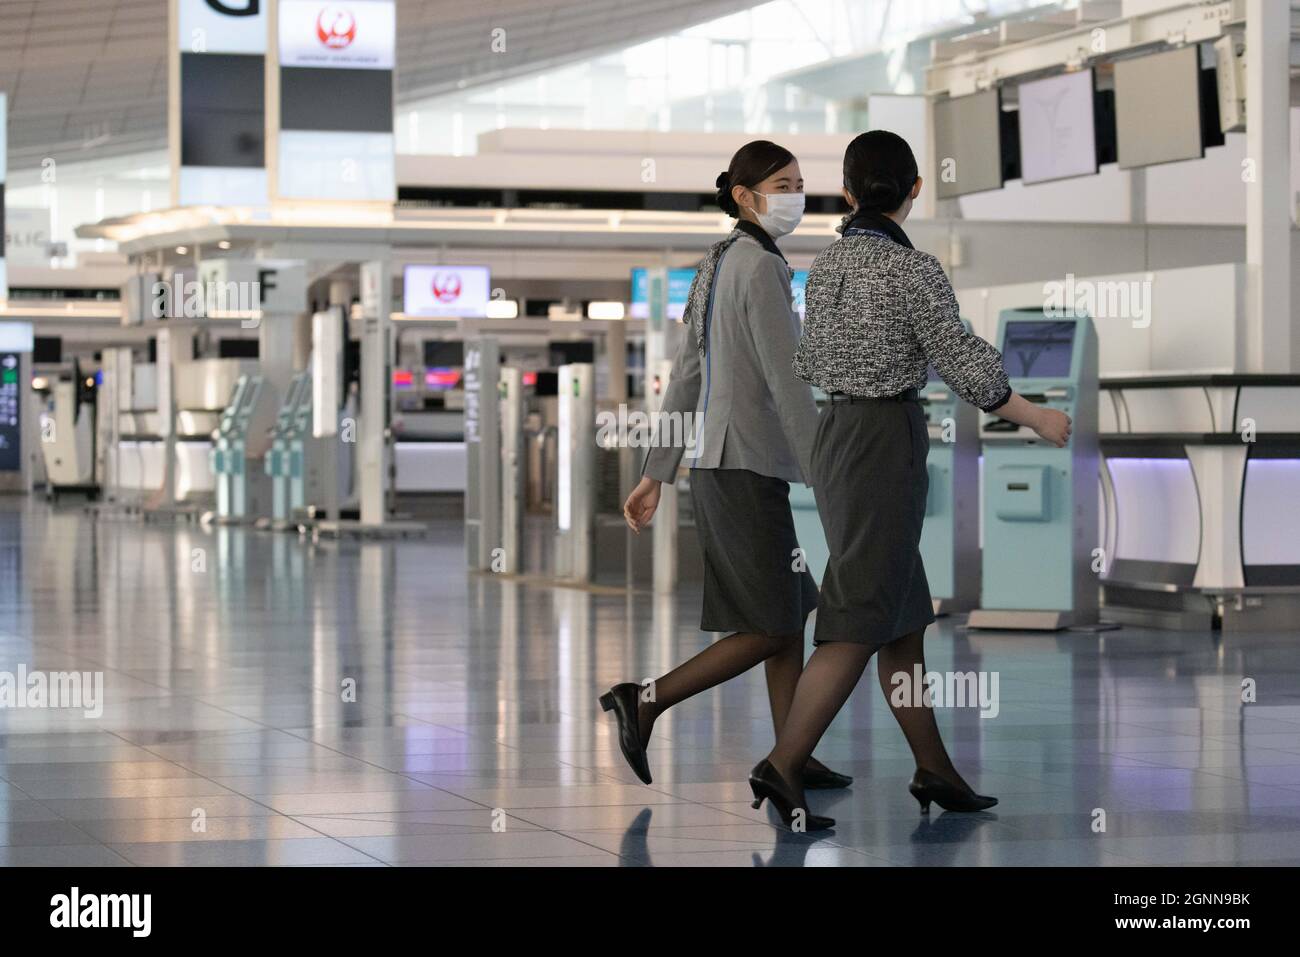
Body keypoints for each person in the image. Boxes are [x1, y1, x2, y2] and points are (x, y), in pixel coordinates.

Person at [748, 130, 1073, 831]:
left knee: (901, 615)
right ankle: (783, 762)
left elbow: (808, 361)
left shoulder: (827, 265)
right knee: (861, 614)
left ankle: (935, 768)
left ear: (847, 191)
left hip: (836, 438)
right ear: (915, 188)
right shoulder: (914, 269)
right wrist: (1033, 415)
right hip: (882, 443)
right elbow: (964, 363)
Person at [600, 140, 847, 800]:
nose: (797, 195)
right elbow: (787, 379)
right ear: (745, 195)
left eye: (801, 183)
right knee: (768, 625)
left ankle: (795, 752)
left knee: (788, 608)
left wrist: (657, 470)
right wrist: (826, 474)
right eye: (783, 184)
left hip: (718, 463)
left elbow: (686, 375)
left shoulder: (716, 263)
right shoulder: (761, 268)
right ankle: (644, 699)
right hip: (742, 465)